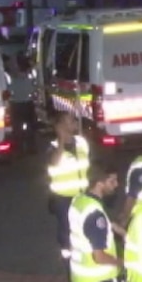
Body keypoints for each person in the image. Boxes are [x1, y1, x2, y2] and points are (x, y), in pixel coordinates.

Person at [47, 111, 90, 259]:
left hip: (81, 194)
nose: (72, 124)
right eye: (68, 121)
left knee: (83, 223)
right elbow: (53, 162)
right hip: (63, 197)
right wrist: (61, 141)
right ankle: (68, 254)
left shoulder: (81, 142)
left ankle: (82, 250)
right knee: (66, 226)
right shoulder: (53, 146)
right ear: (59, 126)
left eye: (72, 121)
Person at [6, 51, 38, 155]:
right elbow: (33, 90)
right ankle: (31, 148)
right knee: (30, 128)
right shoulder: (29, 77)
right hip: (27, 104)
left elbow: (9, 91)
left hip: (16, 105)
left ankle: (19, 149)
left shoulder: (12, 78)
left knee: (17, 129)